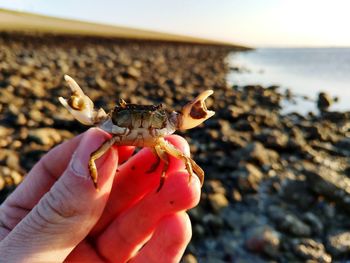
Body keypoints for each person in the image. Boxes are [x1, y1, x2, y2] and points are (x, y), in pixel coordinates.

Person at [0, 128, 201, 262]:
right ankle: (92, 180)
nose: (139, 123)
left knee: (183, 158)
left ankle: (190, 178)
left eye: (150, 117)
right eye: (129, 115)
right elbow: (96, 129)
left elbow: (173, 155)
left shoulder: (161, 139)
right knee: (94, 157)